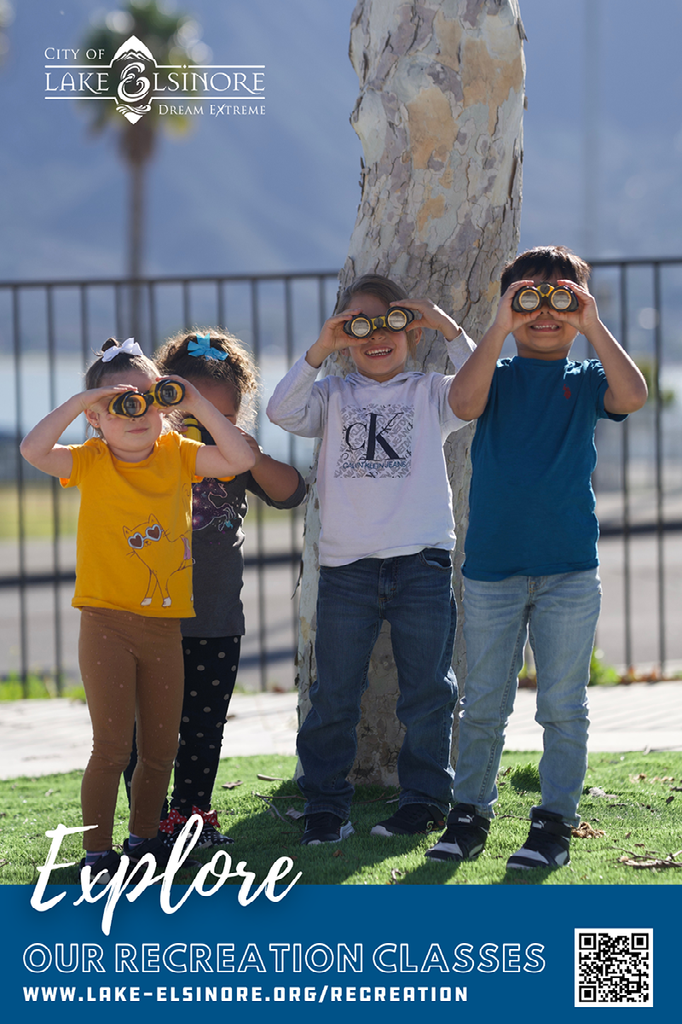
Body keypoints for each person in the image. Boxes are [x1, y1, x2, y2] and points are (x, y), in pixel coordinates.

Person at [426, 245, 648, 870]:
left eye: (563, 299)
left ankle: (553, 824)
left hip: (569, 570)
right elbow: (463, 405)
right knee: (482, 704)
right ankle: (468, 815)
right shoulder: (494, 373)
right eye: (529, 297)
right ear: (509, 304)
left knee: (562, 706)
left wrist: (592, 325)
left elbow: (633, 395)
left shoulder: (588, 377)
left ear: (581, 307)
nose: (545, 311)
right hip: (492, 570)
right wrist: (499, 327)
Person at [20, 337, 255, 882]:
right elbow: (34, 450)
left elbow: (240, 459)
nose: (135, 413)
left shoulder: (178, 453)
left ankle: (143, 841)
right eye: (117, 404)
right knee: (111, 749)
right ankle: (98, 852)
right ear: (96, 419)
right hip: (105, 623)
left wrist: (194, 402)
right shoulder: (90, 459)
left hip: (164, 627)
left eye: (148, 399)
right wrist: (82, 402)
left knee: (160, 750)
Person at [267, 274, 475, 845]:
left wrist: (445, 324)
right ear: (345, 336)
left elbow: (482, 389)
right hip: (346, 568)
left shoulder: (432, 391)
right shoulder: (331, 397)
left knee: (428, 691)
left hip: (421, 562)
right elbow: (281, 411)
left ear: (412, 331)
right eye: (360, 327)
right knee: (333, 694)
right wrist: (320, 349)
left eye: (390, 324)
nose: (377, 338)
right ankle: (325, 805)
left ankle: (424, 800)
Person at [124, 329, 307, 850]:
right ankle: (148, 823)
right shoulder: (143, 449)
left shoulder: (233, 455)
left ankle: (192, 819)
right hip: (145, 618)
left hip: (214, 618)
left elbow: (292, 491)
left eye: (219, 416)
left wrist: (251, 455)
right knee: (143, 731)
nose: (205, 429)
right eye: (192, 413)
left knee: (203, 726)